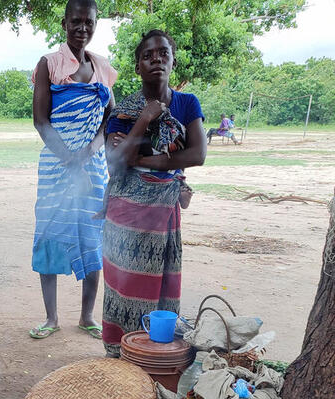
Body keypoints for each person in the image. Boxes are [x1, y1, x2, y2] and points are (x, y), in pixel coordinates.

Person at [101, 30, 207, 354]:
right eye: (148, 55)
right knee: (124, 288)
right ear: (138, 66)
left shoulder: (187, 104)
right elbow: (116, 165)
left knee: (161, 287)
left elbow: (198, 154)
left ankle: (152, 356)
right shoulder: (126, 109)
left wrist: (144, 158)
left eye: (163, 53)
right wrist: (144, 119)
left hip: (164, 212)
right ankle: (120, 354)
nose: (157, 59)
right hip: (126, 215)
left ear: (173, 60)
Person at [29, 0, 117, 340]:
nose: (83, 28)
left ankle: (86, 316)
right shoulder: (49, 64)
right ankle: (51, 318)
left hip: (92, 168)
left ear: (96, 24)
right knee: (50, 232)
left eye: (89, 22)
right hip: (56, 166)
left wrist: (90, 152)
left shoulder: (103, 68)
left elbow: (110, 116)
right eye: (76, 21)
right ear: (65, 24)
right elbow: (41, 121)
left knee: (92, 235)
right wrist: (70, 158)